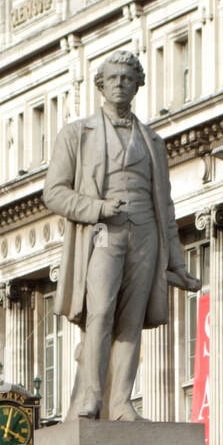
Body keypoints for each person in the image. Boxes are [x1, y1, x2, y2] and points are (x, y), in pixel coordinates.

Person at [42, 48, 199, 421]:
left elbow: (166, 205)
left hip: (145, 233)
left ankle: (121, 402)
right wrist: (97, 208)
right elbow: (54, 192)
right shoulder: (77, 133)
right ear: (100, 85)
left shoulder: (153, 141)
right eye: (112, 79)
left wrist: (176, 261)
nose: (120, 85)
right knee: (100, 312)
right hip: (102, 233)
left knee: (131, 320)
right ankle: (91, 397)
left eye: (127, 79)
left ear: (138, 85)